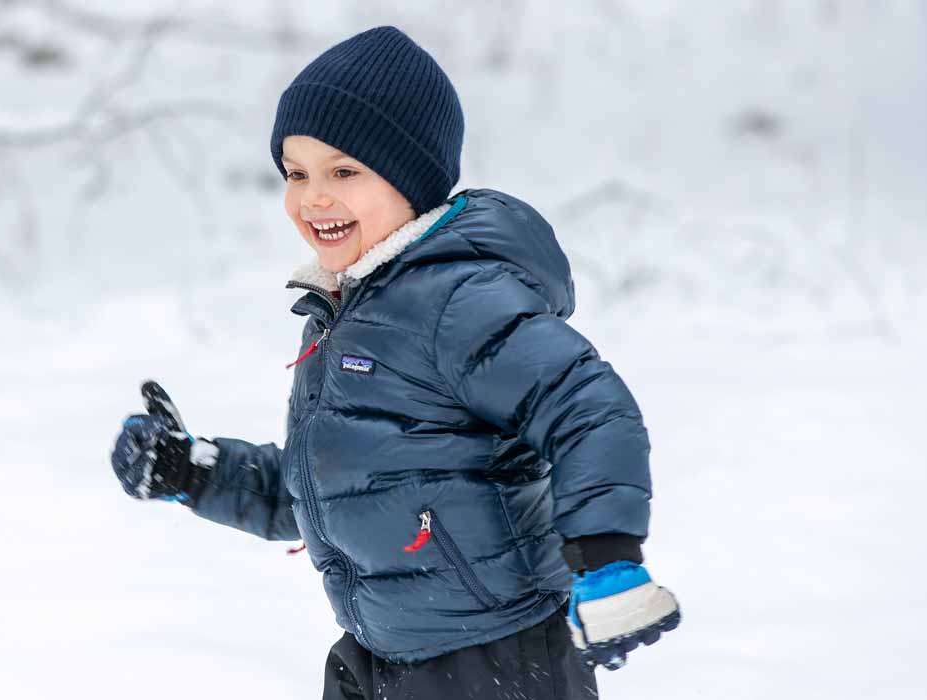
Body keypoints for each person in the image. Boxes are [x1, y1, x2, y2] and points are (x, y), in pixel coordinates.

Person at [109, 25, 679, 698]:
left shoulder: (460, 299)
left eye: (344, 172)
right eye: (296, 174)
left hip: (493, 658)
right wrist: (197, 472)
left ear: (411, 180)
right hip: (380, 654)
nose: (313, 198)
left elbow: (587, 408)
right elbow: (332, 488)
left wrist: (606, 555)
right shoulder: (343, 313)